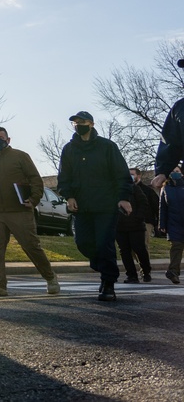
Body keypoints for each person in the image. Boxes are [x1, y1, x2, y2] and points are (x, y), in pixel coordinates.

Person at [57, 111, 133, 302]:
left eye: (81, 122)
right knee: (83, 243)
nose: (77, 125)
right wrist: (69, 196)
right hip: (81, 207)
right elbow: (64, 177)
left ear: (91, 124)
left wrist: (123, 198)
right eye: (74, 122)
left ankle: (108, 283)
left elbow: (121, 174)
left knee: (104, 244)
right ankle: (105, 268)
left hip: (105, 205)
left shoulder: (107, 146)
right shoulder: (69, 149)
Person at [0, 127, 60, 297]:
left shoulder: (21, 156)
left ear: (8, 140)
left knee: (31, 246)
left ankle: (50, 277)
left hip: (19, 211)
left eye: (1, 137)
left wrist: (33, 199)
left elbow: (36, 180)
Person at [115, 174, 152, 283]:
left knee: (139, 249)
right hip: (119, 226)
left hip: (136, 226)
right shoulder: (110, 190)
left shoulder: (134, 188)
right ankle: (131, 275)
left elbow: (143, 203)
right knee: (124, 251)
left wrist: (138, 217)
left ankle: (146, 272)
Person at [129, 167, 160, 269]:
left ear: (139, 175)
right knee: (131, 248)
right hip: (130, 222)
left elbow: (156, 206)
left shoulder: (148, 191)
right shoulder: (126, 190)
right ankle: (142, 265)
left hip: (145, 221)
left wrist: (157, 223)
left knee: (143, 245)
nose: (131, 176)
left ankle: (145, 268)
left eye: (133, 174)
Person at [159, 167, 184, 284]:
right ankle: (173, 272)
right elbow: (162, 208)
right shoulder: (165, 188)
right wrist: (162, 224)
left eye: (177, 171)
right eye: (173, 171)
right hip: (174, 223)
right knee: (176, 246)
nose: (175, 173)